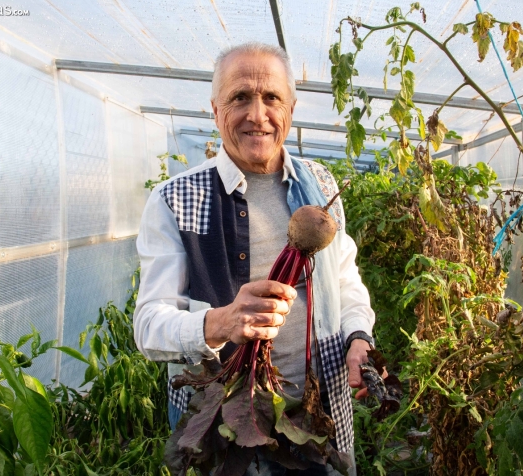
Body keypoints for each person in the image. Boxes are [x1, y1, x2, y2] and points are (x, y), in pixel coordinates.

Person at [133, 42, 375, 475]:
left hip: (316, 418)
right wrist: (221, 323)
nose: (257, 115)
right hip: (224, 428)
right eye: (239, 97)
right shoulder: (174, 199)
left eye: (271, 98)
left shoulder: (319, 183)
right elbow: (149, 324)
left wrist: (359, 337)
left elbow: (344, 279)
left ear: (292, 107)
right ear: (215, 108)